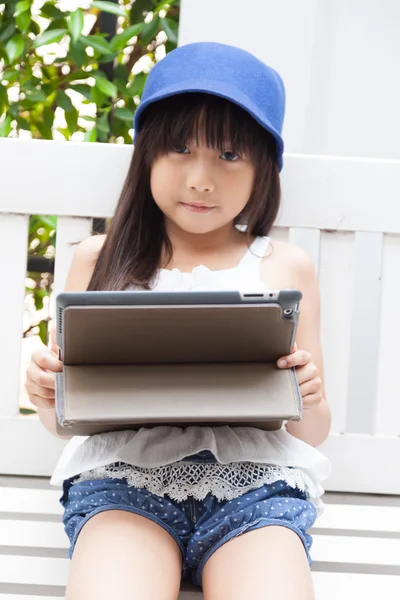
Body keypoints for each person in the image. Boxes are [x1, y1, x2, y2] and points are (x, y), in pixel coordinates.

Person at [25, 42, 331, 600]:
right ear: (147, 153)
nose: (201, 179)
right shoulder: (98, 259)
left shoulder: (284, 266)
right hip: (121, 487)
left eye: (230, 155)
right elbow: (66, 424)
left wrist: (306, 394)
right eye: (180, 148)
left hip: (255, 492)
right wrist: (50, 395)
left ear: (265, 164)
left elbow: (313, 430)